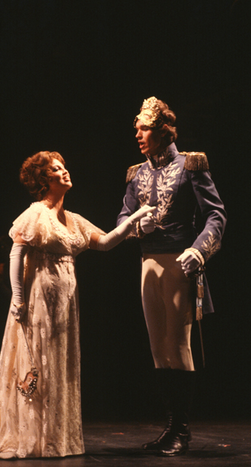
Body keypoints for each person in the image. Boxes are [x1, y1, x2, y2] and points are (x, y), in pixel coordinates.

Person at [0, 150, 154, 460]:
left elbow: (105, 243)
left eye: (63, 166)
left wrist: (134, 217)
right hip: (39, 298)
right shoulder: (36, 213)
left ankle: (54, 438)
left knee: (59, 362)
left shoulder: (73, 219)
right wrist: (18, 299)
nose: (64, 171)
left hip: (65, 304)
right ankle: (31, 435)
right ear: (44, 180)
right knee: (38, 361)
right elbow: (17, 254)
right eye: (56, 169)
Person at [117, 96, 227, 457]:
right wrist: (135, 226)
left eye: (144, 127)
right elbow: (122, 218)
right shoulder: (138, 173)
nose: (138, 134)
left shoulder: (190, 165)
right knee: (158, 348)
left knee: (178, 345)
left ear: (163, 131)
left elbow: (216, 216)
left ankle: (181, 429)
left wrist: (199, 249)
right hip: (149, 261)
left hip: (180, 261)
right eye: (136, 127)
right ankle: (171, 426)